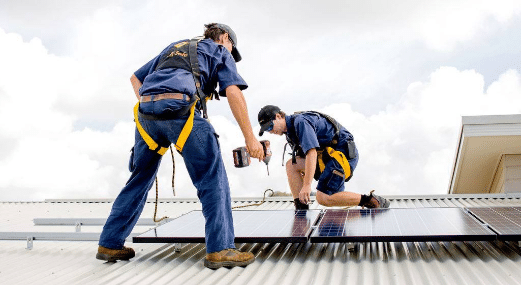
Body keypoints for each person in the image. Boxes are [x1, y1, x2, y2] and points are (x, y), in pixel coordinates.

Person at [97, 23, 264, 270]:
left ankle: (109, 243)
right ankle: (220, 249)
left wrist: (154, 105)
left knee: (139, 178)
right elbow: (233, 91)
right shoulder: (219, 51)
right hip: (181, 112)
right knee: (211, 178)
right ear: (225, 38)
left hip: (146, 117)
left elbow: (135, 78)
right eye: (232, 47)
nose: (231, 52)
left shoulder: (174, 47)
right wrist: (251, 138)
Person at [257, 105, 390, 210]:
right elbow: (305, 157)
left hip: (342, 155)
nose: (270, 131)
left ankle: (371, 201)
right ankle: (301, 209)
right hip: (326, 158)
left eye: (270, 126)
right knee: (291, 164)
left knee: (323, 198)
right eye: (266, 130)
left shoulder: (300, 122)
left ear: (279, 116)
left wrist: (307, 185)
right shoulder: (290, 133)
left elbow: (312, 153)